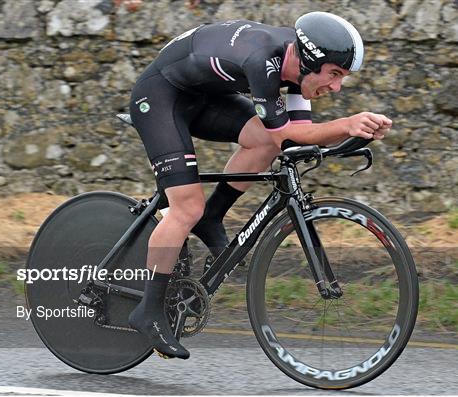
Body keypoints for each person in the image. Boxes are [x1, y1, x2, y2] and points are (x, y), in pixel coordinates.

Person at [127, 11, 392, 359]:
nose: (337, 86)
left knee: (264, 144)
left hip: (204, 95)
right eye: (335, 74)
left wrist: (354, 138)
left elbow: (296, 141)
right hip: (162, 95)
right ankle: (148, 310)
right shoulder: (263, 60)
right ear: (312, 60)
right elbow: (286, 133)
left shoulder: (299, 68)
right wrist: (346, 124)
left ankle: (212, 217)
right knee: (185, 207)